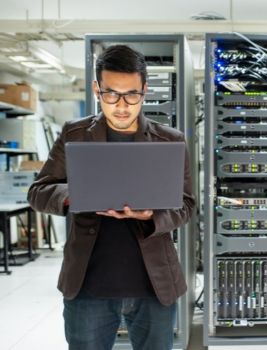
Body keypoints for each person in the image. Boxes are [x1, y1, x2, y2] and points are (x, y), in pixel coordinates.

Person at [27, 45, 195, 350]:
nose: (121, 105)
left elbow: (186, 205)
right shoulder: (74, 134)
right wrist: (77, 194)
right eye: (111, 94)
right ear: (96, 89)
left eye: (132, 95)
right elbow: (38, 192)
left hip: (154, 287)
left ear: (144, 90)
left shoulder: (170, 140)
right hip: (89, 286)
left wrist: (151, 216)